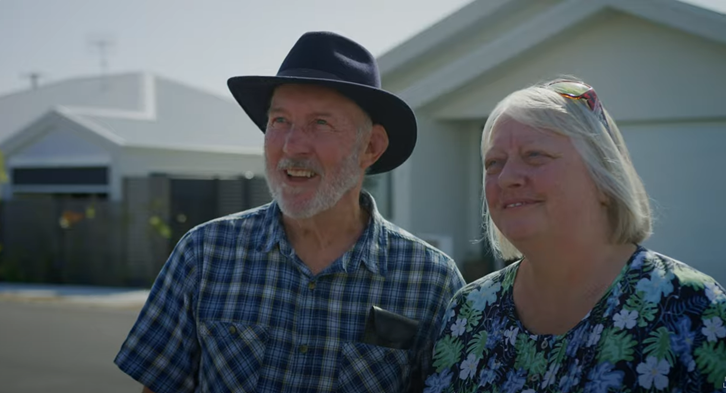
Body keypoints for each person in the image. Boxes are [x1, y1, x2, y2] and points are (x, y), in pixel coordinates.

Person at [114, 31, 465, 393]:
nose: (292, 146)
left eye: (320, 123)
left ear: (371, 146)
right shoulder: (203, 254)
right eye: (279, 121)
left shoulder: (431, 281)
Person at [423, 79, 726, 393]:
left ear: (604, 180)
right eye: (494, 162)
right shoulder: (470, 310)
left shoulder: (694, 308)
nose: (507, 177)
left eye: (535, 155)